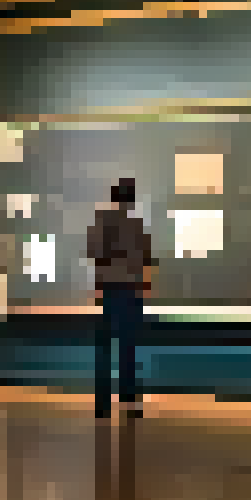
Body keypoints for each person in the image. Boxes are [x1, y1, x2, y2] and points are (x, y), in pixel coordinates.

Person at [84, 178, 156, 419]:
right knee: (129, 346)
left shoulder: (103, 219)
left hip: (109, 288)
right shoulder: (137, 224)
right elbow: (146, 257)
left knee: (105, 347)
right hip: (132, 289)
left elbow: (93, 251)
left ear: (114, 196)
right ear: (132, 198)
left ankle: (103, 402)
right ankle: (129, 399)